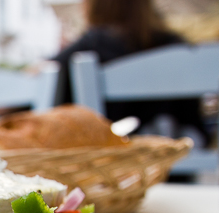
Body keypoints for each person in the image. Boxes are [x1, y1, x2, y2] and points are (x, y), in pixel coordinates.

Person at [51, 0, 209, 146]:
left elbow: (45, 76)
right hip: (179, 157)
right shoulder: (178, 47)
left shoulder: (90, 44)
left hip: (116, 165)